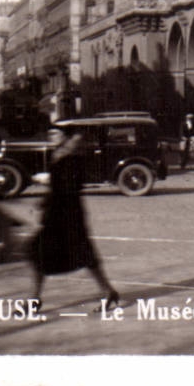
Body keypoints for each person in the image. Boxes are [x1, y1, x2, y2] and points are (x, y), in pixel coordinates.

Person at [30, 126, 119, 312]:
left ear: (65, 136)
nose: (51, 136)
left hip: (67, 214)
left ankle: (108, 292)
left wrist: (48, 192)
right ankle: (108, 291)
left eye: (55, 133)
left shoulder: (71, 157)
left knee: (77, 254)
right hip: (60, 213)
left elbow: (69, 187)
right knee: (43, 254)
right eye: (50, 133)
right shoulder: (61, 154)